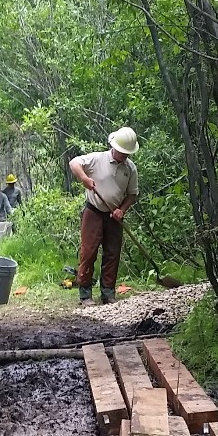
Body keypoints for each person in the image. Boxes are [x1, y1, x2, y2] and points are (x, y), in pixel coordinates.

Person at [69, 127, 139, 304]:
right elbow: (74, 163)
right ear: (114, 147)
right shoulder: (97, 159)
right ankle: (85, 294)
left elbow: (132, 194)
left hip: (114, 217)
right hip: (93, 211)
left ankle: (108, 293)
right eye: (122, 152)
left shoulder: (130, 169)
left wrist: (122, 209)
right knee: (89, 252)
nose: (124, 155)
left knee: (112, 253)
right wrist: (85, 179)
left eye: (127, 153)